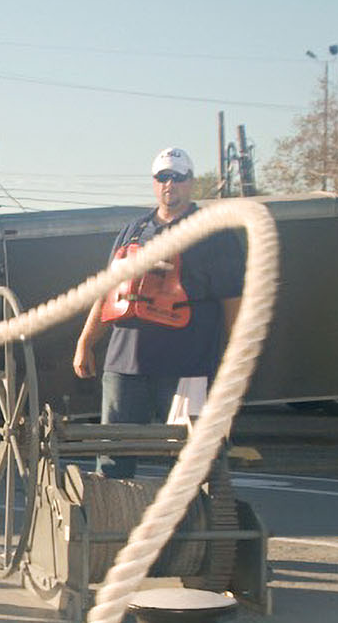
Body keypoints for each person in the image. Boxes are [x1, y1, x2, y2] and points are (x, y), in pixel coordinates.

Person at [72, 148, 244, 478]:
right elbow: (108, 290)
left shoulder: (215, 234)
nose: (170, 184)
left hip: (188, 369)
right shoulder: (132, 231)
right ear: (154, 183)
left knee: (195, 459)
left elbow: (232, 302)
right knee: (113, 457)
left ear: (191, 183)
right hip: (125, 366)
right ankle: (116, 524)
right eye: (163, 177)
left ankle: (199, 525)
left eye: (178, 177)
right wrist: (85, 343)